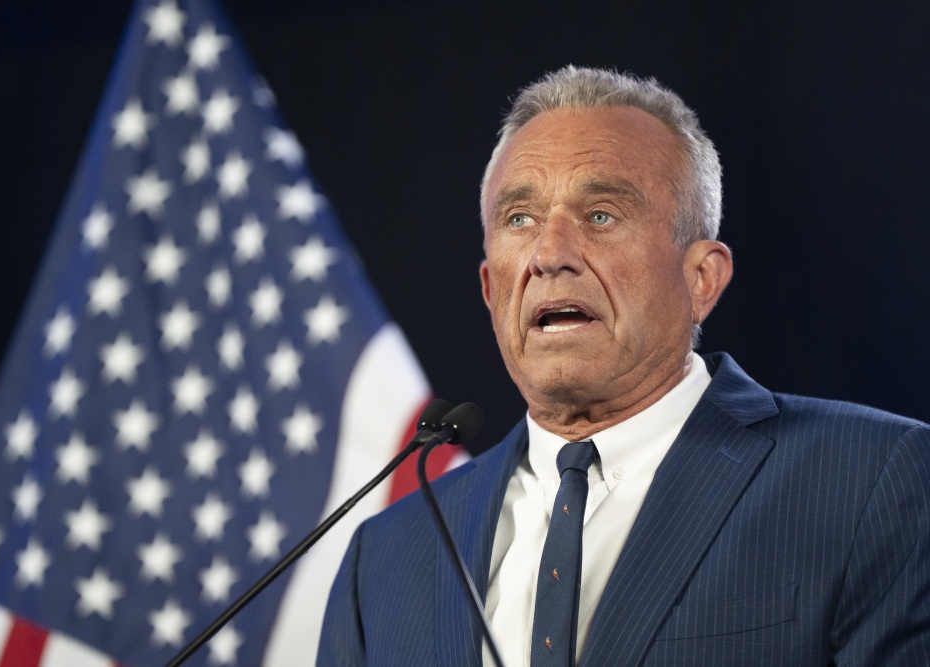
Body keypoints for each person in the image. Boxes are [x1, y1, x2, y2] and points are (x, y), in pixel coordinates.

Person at [317, 66, 930, 666]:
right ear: (489, 288)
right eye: (519, 220)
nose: (549, 255)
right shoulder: (388, 555)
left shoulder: (873, 481)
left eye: (601, 215)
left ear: (701, 279)